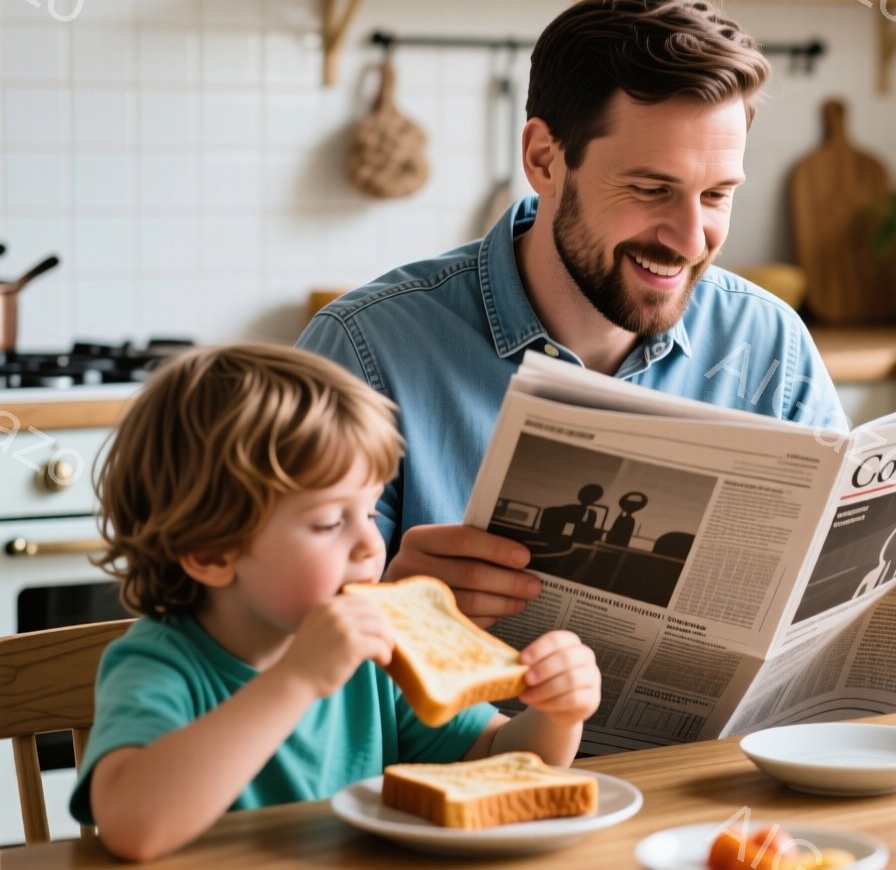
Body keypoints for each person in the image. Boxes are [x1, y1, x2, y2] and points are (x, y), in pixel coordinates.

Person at [297, 0, 896, 705]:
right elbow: (246, 668)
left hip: (708, 800)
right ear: (544, 159)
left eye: (717, 195)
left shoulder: (767, 344)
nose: (691, 239)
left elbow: (827, 674)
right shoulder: (365, 352)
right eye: (652, 190)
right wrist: (395, 613)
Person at [70, 345, 601, 861]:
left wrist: (556, 714)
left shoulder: (371, 664)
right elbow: (132, 827)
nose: (372, 544)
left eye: (371, 512)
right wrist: (298, 679)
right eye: (329, 522)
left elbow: (500, 756)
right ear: (210, 553)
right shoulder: (160, 665)